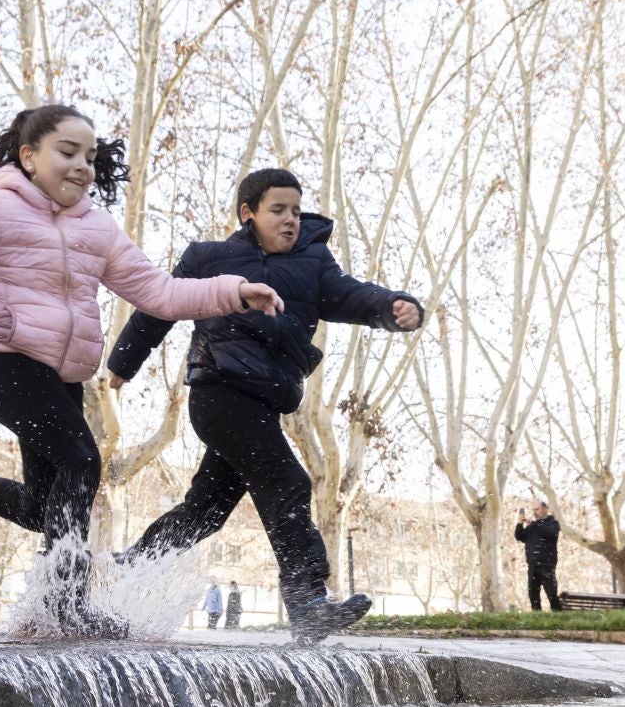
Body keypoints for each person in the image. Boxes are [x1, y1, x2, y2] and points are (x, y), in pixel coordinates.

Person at [0, 104, 285, 638]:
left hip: (64, 380)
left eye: (91, 157)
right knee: (80, 460)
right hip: (6, 362)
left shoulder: (96, 227)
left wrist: (233, 291)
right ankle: (63, 606)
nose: (83, 166)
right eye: (68, 152)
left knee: (42, 505)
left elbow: (160, 292)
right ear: (29, 156)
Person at [106, 167, 423, 643]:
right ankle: (307, 599)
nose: (291, 220)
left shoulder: (312, 265)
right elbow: (160, 307)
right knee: (287, 481)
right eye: (278, 210)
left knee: (206, 511)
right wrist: (123, 362)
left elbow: (354, 296)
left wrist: (393, 306)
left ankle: (125, 570)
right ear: (248, 213)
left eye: (296, 210)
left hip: (263, 404)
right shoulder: (210, 258)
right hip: (219, 393)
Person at [515, 502, 562, 612]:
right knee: (533, 595)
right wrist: (519, 523)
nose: (534, 512)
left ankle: (559, 617)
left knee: (551, 594)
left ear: (545, 509)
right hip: (532, 566)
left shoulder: (553, 523)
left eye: (537, 509)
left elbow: (550, 533)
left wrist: (535, 524)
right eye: (533, 510)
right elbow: (520, 536)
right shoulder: (532, 526)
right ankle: (537, 617)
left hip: (546, 565)